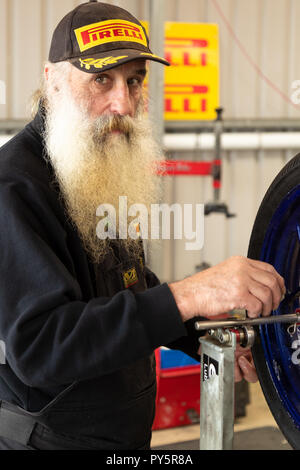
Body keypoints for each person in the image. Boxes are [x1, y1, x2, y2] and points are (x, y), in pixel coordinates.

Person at [0, 1, 285, 450]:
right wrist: (190, 292)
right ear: (51, 81)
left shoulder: (94, 163)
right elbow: (43, 345)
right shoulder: (15, 187)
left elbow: (127, 288)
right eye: (102, 79)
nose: (123, 103)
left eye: (134, 81)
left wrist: (198, 329)